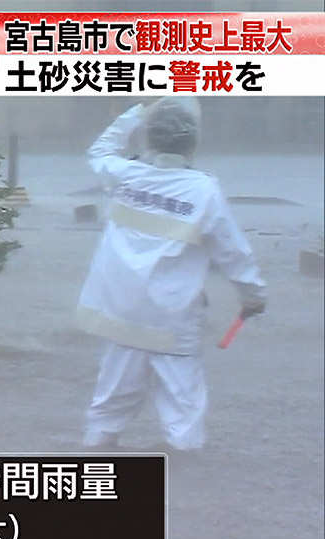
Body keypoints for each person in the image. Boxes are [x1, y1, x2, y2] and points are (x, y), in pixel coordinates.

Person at [76, 97, 268, 451]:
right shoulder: (203, 190)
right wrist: (253, 297)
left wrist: (137, 110)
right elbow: (233, 253)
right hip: (173, 319)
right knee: (182, 415)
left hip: (123, 313)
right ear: (192, 141)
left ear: (149, 136)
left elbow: (101, 148)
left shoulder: (124, 175)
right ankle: (186, 493)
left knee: (108, 408)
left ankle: (97, 464)